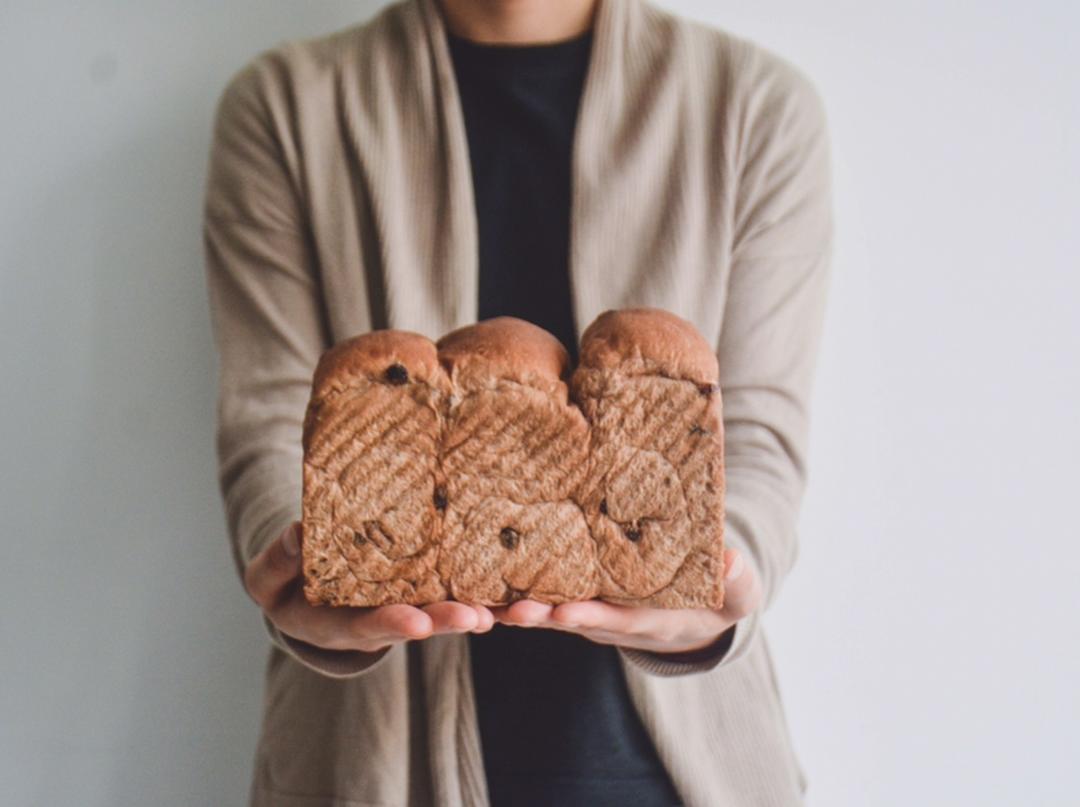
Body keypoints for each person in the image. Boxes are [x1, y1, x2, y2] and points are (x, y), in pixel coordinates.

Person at [202, 0, 833, 804]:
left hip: (666, 767)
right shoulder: (288, 106)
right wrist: (310, 573)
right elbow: (268, 417)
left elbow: (757, 439)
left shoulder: (754, 107)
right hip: (369, 760)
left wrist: (707, 589)